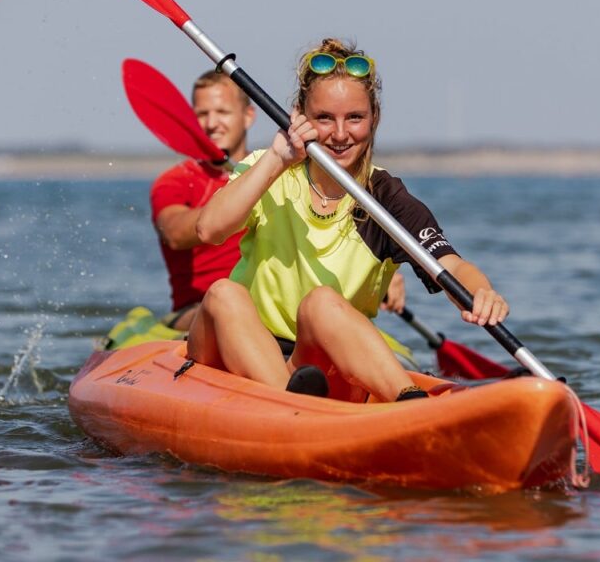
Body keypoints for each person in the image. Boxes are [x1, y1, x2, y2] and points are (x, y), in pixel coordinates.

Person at [190, 38, 510, 403]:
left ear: (375, 118)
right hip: (237, 350)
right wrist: (278, 158)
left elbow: (450, 265)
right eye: (325, 118)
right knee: (224, 294)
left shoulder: (385, 198)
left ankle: (411, 404)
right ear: (299, 116)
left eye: (354, 118)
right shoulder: (269, 169)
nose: (340, 134)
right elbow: (209, 229)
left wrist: (481, 293)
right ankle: (289, 407)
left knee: (322, 303)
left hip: (316, 363)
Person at [150, 70, 256, 330]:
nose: (211, 123)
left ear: (248, 116)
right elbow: (174, 233)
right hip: (196, 310)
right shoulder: (175, 181)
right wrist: (238, 200)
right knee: (226, 304)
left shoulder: (274, 172)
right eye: (202, 114)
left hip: (266, 303)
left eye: (222, 112)